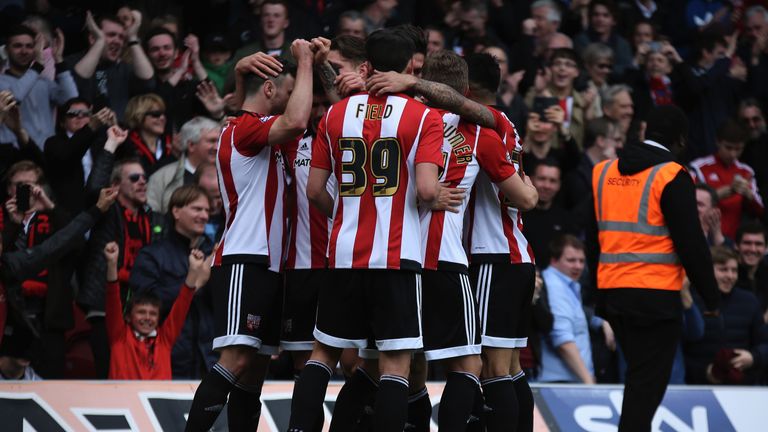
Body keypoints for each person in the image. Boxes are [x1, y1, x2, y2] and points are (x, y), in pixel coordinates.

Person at [288, 28, 443, 432]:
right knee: (394, 366)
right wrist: (438, 194)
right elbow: (426, 189)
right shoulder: (424, 117)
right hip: (397, 258)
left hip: (343, 253)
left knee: (322, 354)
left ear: (367, 67)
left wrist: (344, 214)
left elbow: (314, 191)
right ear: (411, 67)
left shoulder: (336, 114)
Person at [185, 39, 314, 432]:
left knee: (254, 369)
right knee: (237, 358)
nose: (295, 99)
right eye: (289, 91)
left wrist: (241, 75)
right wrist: (305, 59)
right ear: (271, 90)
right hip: (246, 257)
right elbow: (294, 121)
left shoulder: (254, 130)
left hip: (269, 264)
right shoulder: (246, 129)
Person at [586, 105, 720, 431]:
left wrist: (599, 290)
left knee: (638, 381)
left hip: (614, 295)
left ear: (645, 131)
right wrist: (711, 298)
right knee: (646, 387)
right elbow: (691, 244)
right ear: (680, 141)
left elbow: (593, 239)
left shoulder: (602, 172)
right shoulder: (671, 174)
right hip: (655, 299)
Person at [129, 185, 216, 379]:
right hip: (168, 361)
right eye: (197, 209)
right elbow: (146, 305)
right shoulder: (152, 255)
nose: (204, 215)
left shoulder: (211, 255)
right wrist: (194, 283)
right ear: (176, 211)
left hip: (209, 361)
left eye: (207, 210)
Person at [104, 241, 212, 380]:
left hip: (157, 400)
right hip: (124, 400)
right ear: (128, 317)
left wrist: (193, 272)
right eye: (141, 312)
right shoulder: (119, 337)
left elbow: (181, 305)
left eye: (153, 313)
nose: (148, 317)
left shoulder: (165, 340)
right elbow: (112, 300)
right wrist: (112, 264)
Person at [684, 246, 768, 385]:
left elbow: (764, 343)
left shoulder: (749, 301)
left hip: (744, 389)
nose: (730, 276)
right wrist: (706, 372)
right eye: (723, 270)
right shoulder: (690, 301)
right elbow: (679, 353)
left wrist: (753, 357)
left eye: (734, 270)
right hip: (696, 389)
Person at [0, 25, 77, 148]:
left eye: (29, 46)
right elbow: (14, 98)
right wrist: (37, 66)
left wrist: (58, 59)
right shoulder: (1, 81)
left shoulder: (43, 82)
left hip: (46, 156)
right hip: (15, 157)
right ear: (6, 50)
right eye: (17, 46)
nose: (24, 51)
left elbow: (72, 101)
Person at [68, 11, 153, 118]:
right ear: (92, 38)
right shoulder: (73, 62)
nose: (117, 41)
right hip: (82, 132)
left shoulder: (124, 69)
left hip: (118, 132)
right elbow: (74, 85)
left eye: (121, 37)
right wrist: (100, 41)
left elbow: (148, 83)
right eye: (111, 35)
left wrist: (132, 37)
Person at [689, 119, 764, 240]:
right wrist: (726, 192)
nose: (733, 154)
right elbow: (690, 204)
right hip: (704, 239)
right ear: (718, 142)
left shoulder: (746, 171)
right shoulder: (699, 167)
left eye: (738, 149)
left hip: (734, 241)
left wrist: (749, 195)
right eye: (728, 148)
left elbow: (760, 211)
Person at [539, 235, 597, 383]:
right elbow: (563, 340)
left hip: (570, 380)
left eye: (581, 261)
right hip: (561, 383)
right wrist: (588, 381)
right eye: (571, 260)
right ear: (554, 260)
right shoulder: (555, 287)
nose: (578, 266)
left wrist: (600, 322)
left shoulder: (568, 285)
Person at [44, 100, 116, 215]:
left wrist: (114, 126)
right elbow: (67, 155)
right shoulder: (53, 143)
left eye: (86, 113)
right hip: (67, 211)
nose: (80, 116)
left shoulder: (100, 141)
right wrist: (90, 127)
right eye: (73, 113)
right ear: (62, 122)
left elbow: (125, 157)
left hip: (101, 207)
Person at [146, 116, 220, 213]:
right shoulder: (162, 178)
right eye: (212, 141)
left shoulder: (231, 174)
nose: (217, 147)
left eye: (219, 141)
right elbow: (152, 216)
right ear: (191, 145)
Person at [526, 160, 577, 266]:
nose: (547, 185)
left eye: (553, 181)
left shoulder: (566, 220)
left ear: (559, 185)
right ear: (530, 180)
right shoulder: (517, 215)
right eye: (542, 179)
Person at [119, 93, 175, 175]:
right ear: (139, 116)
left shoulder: (170, 143)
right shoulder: (127, 145)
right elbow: (145, 174)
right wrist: (173, 157)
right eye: (156, 114)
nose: (162, 118)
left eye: (164, 114)